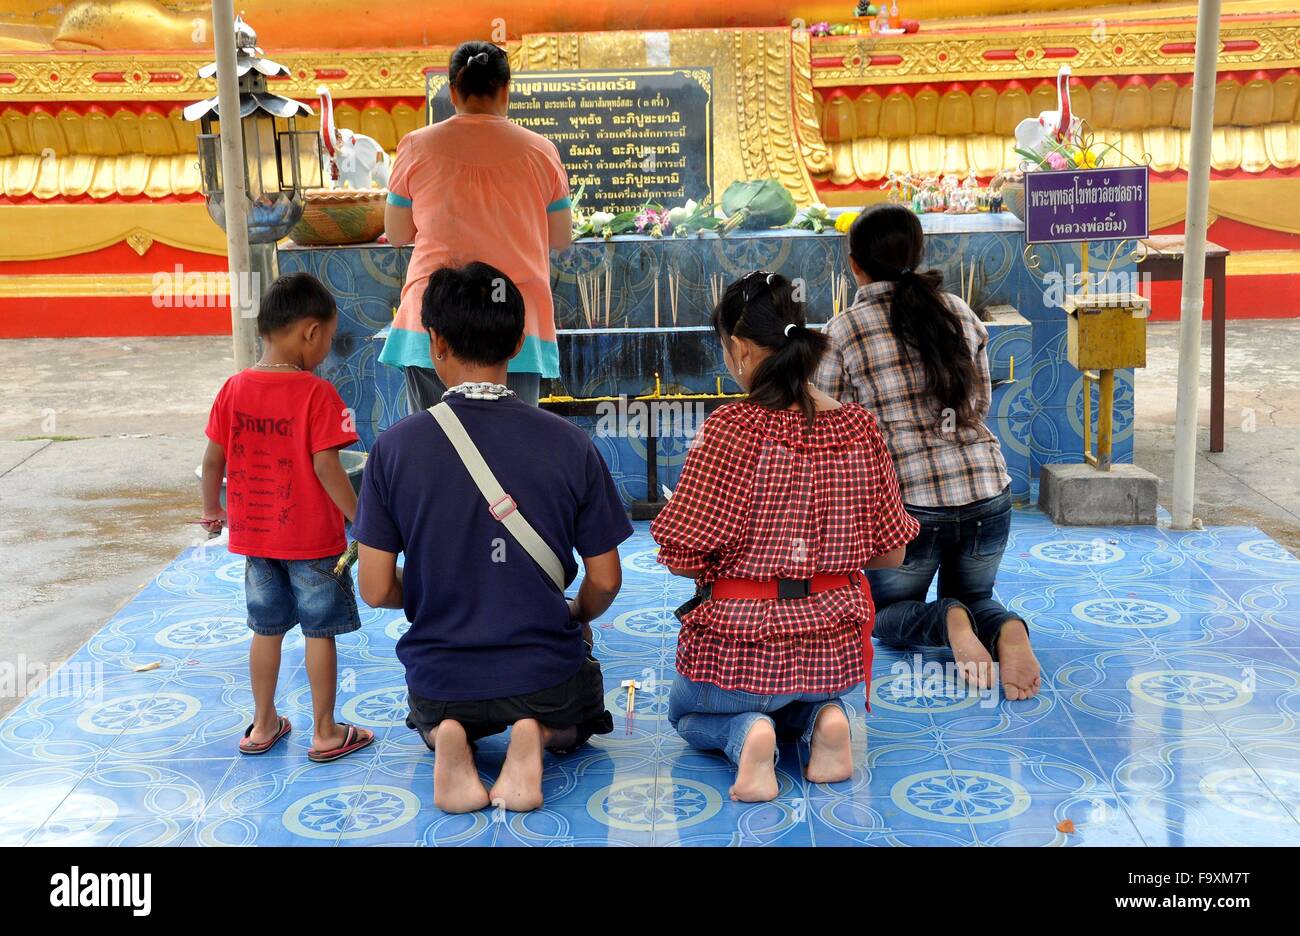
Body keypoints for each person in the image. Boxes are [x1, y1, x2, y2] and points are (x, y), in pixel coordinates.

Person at [352, 262, 630, 814]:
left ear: (434, 342)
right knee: (581, 718)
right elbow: (606, 579)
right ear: (520, 341)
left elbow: (376, 588)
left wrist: (441, 586)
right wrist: (574, 613)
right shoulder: (569, 443)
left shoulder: (395, 448)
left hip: (441, 681)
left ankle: (449, 736)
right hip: (547, 676)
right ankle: (537, 735)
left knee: (438, 714)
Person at [651, 271, 918, 803]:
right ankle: (826, 718)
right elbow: (892, 552)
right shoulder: (860, 428)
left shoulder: (730, 429)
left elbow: (681, 557)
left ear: (742, 348)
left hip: (740, 649)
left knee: (684, 710)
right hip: (831, 652)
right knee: (797, 694)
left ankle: (746, 735)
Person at [816, 204, 1041, 700]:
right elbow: (980, 402)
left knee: (888, 616)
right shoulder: (958, 310)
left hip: (909, 510)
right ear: (918, 254)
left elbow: (834, 429)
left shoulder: (843, 330)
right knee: (978, 595)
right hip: (988, 490)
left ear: (854, 264)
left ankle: (947, 621)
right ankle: (1002, 627)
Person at [199, 272, 375, 762]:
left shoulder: (233, 389)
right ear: (311, 332)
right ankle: (324, 732)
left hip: (256, 541)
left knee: (266, 629)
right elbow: (328, 467)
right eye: (330, 337)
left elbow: (213, 462)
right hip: (315, 544)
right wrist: (361, 519)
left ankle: (262, 723)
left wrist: (213, 511)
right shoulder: (318, 396)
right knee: (320, 633)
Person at [380, 40, 573, 409]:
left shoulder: (416, 146)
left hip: (432, 329)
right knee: (509, 452)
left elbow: (399, 234)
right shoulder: (540, 151)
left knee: (434, 450)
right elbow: (561, 237)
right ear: (505, 89)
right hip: (513, 326)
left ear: (452, 91)